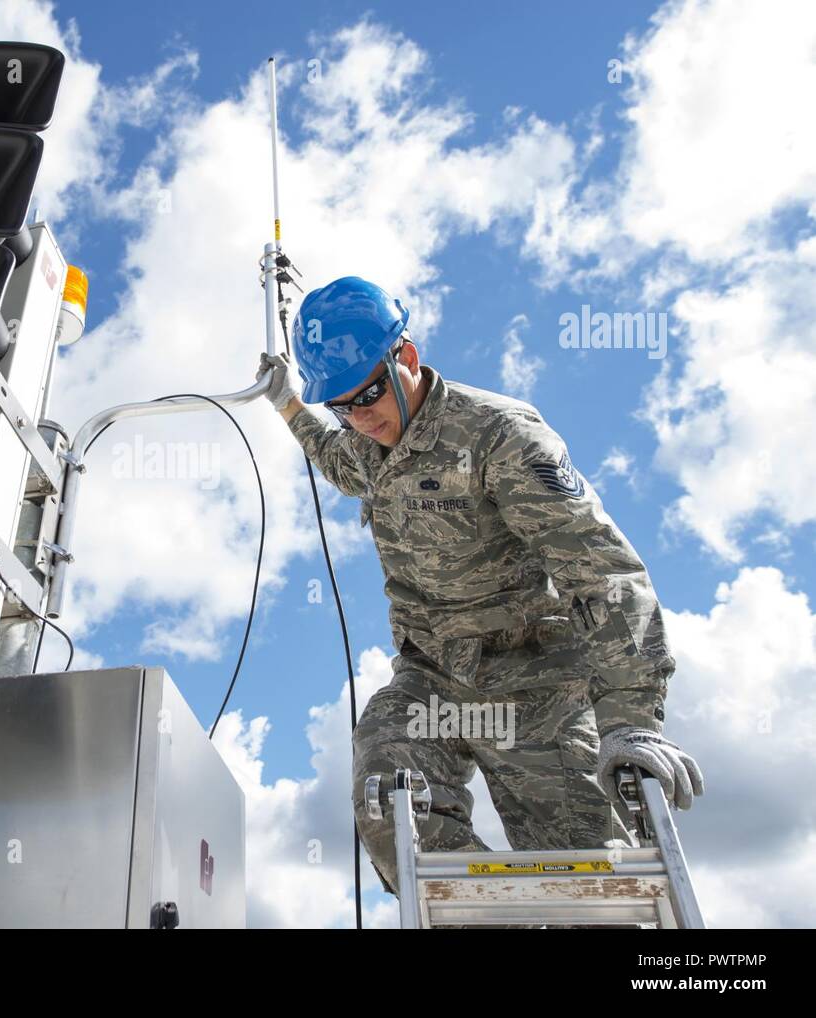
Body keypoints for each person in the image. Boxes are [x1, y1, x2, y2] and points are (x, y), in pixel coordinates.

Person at [256, 275, 704, 901]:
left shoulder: (499, 435)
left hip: (531, 679)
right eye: (345, 406)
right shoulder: (368, 442)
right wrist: (287, 404)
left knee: (591, 883)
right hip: (432, 678)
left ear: (405, 356)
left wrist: (632, 719)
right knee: (388, 804)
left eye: (371, 394)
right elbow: (333, 457)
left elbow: (601, 573)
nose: (362, 417)